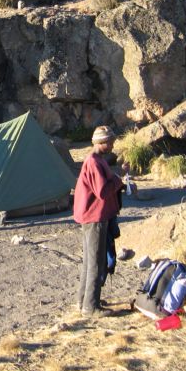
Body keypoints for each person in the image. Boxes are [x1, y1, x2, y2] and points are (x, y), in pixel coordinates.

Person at [74, 125, 131, 317]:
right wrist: (118, 181)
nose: (113, 144)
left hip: (93, 216)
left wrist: (117, 176)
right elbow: (103, 191)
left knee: (90, 260)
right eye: (111, 141)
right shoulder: (94, 162)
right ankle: (91, 307)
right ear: (103, 143)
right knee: (96, 262)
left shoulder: (97, 160)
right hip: (95, 217)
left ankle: (84, 300)